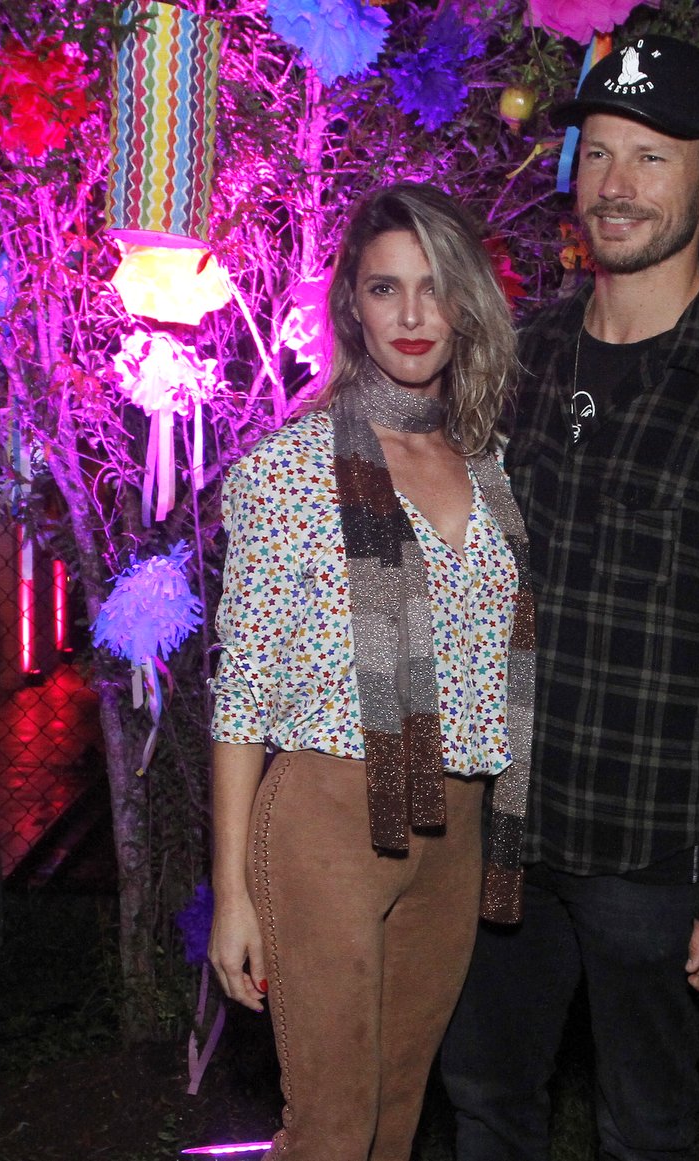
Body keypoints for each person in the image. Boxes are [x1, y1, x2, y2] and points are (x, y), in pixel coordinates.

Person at [440, 36, 699, 1161]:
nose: (614, 183)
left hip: (655, 853)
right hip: (504, 828)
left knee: (647, 1130)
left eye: (651, 158)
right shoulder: (519, 359)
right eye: (599, 151)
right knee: (485, 1103)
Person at [206, 183, 533, 1160]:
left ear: (468, 300)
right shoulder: (290, 470)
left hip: (457, 828)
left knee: (394, 1126)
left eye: (434, 288)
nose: (413, 315)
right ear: (354, 303)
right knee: (332, 1133)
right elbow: (241, 698)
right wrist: (233, 893)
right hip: (328, 826)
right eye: (386, 288)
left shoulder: (494, 468)